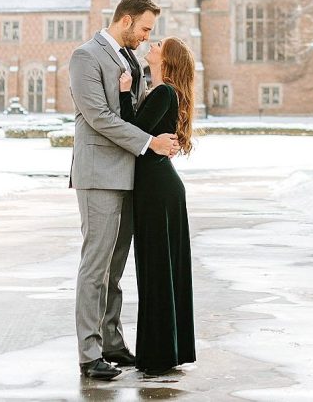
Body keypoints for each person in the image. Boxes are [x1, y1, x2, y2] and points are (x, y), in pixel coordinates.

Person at [68, 0, 180, 381]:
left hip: (129, 175)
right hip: (98, 174)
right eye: (145, 28)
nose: (147, 37)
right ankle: (89, 353)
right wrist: (150, 143)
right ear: (126, 19)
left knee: (114, 268)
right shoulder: (86, 56)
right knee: (95, 265)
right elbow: (97, 115)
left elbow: (133, 111)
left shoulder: (129, 58)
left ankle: (112, 343)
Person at [117, 37, 196, 377]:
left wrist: (123, 92)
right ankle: (164, 350)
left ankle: (159, 354)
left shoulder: (163, 92)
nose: (152, 42)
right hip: (159, 187)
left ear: (168, 59)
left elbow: (130, 131)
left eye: (159, 43)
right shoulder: (159, 92)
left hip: (157, 190)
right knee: (160, 269)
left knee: (157, 270)